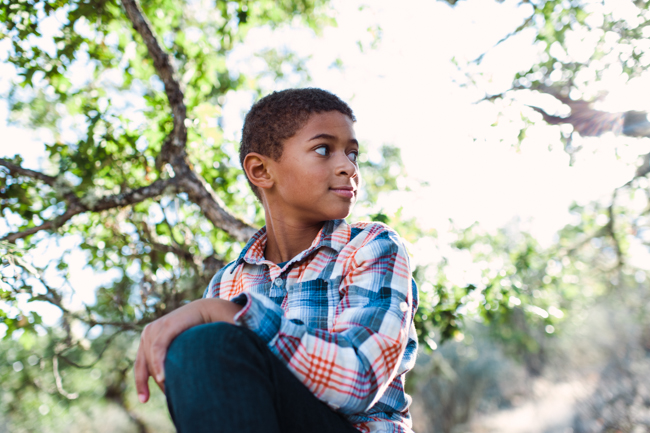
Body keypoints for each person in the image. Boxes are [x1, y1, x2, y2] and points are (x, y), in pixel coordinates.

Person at [134, 88, 419, 433]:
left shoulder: (371, 246)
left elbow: (360, 379)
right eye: (324, 149)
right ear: (261, 171)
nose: (348, 167)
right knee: (197, 349)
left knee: (205, 340)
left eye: (352, 153)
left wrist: (235, 315)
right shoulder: (226, 284)